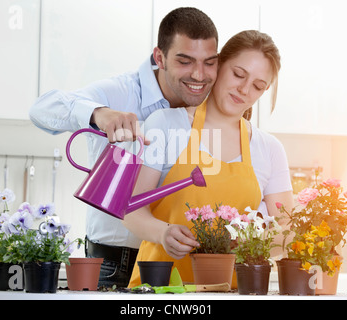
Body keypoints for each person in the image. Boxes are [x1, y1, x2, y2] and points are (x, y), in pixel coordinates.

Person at [29, 7, 219, 288]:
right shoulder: (121, 91)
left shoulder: (209, 106)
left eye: (209, 62)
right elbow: (41, 109)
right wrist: (99, 113)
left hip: (180, 263)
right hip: (115, 263)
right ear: (159, 57)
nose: (199, 75)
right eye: (185, 61)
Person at [122, 30, 294, 287]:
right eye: (238, 74)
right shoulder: (166, 125)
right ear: (218, 66)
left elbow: (286, 233)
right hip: (161, 290)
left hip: (231, 292)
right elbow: (132, 210)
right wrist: (163, 233)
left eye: (258, 86)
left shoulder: (269, 149)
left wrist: (251, 244)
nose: (244, 90)